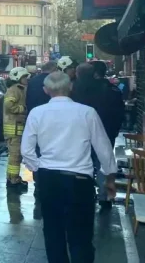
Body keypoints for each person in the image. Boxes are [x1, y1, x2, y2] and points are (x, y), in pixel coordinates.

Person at [21, 71, 118, 263]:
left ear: (46, 90)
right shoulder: (87, 112)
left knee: (53, 233)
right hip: (80, 181)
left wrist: (37, 168)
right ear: (71, 87)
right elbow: (104, 148)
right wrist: (109, 178)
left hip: (49, 179)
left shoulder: (36, 113)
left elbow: (27, 150)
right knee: (81, 236)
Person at [71, 62, 124, 211]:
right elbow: (119, 113)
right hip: (107, 134)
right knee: (103, 164)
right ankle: (104, 196)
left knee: (85, 164)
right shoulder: (112, 90)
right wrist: (114, 131)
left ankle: (84, 194)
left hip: (83, 134)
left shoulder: (78, 89)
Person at [25, 60, 58, 196]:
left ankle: (38, 183)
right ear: (53, 69)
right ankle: (50, 182)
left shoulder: (32, 81)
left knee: (37, 150)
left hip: (35, 119)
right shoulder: (53, 81)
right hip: (52, 120)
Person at [4, 66, 29, 191]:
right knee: (15, 156)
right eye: (24, 77)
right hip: (13, 128)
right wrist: (23, 109)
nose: (26, 79)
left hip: (17, 127)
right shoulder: (14, 89)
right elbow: (9, 105)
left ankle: (11, 177)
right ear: (18, 78)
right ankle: (13, 180)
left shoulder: (20, 89)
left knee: (16, 156)